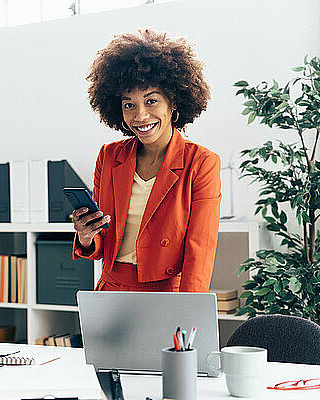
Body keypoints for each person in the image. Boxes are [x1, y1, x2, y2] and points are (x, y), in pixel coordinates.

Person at [72, 29, 221, 293]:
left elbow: (200, 252)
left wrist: (188, 317)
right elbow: (101, 242)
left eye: (151, 101)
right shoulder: (109, 157)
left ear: (173, 102)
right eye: (129, 104)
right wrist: (85, 237)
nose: (140, 116)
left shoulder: (201, 162)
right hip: (112, 291)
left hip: (165, 294)